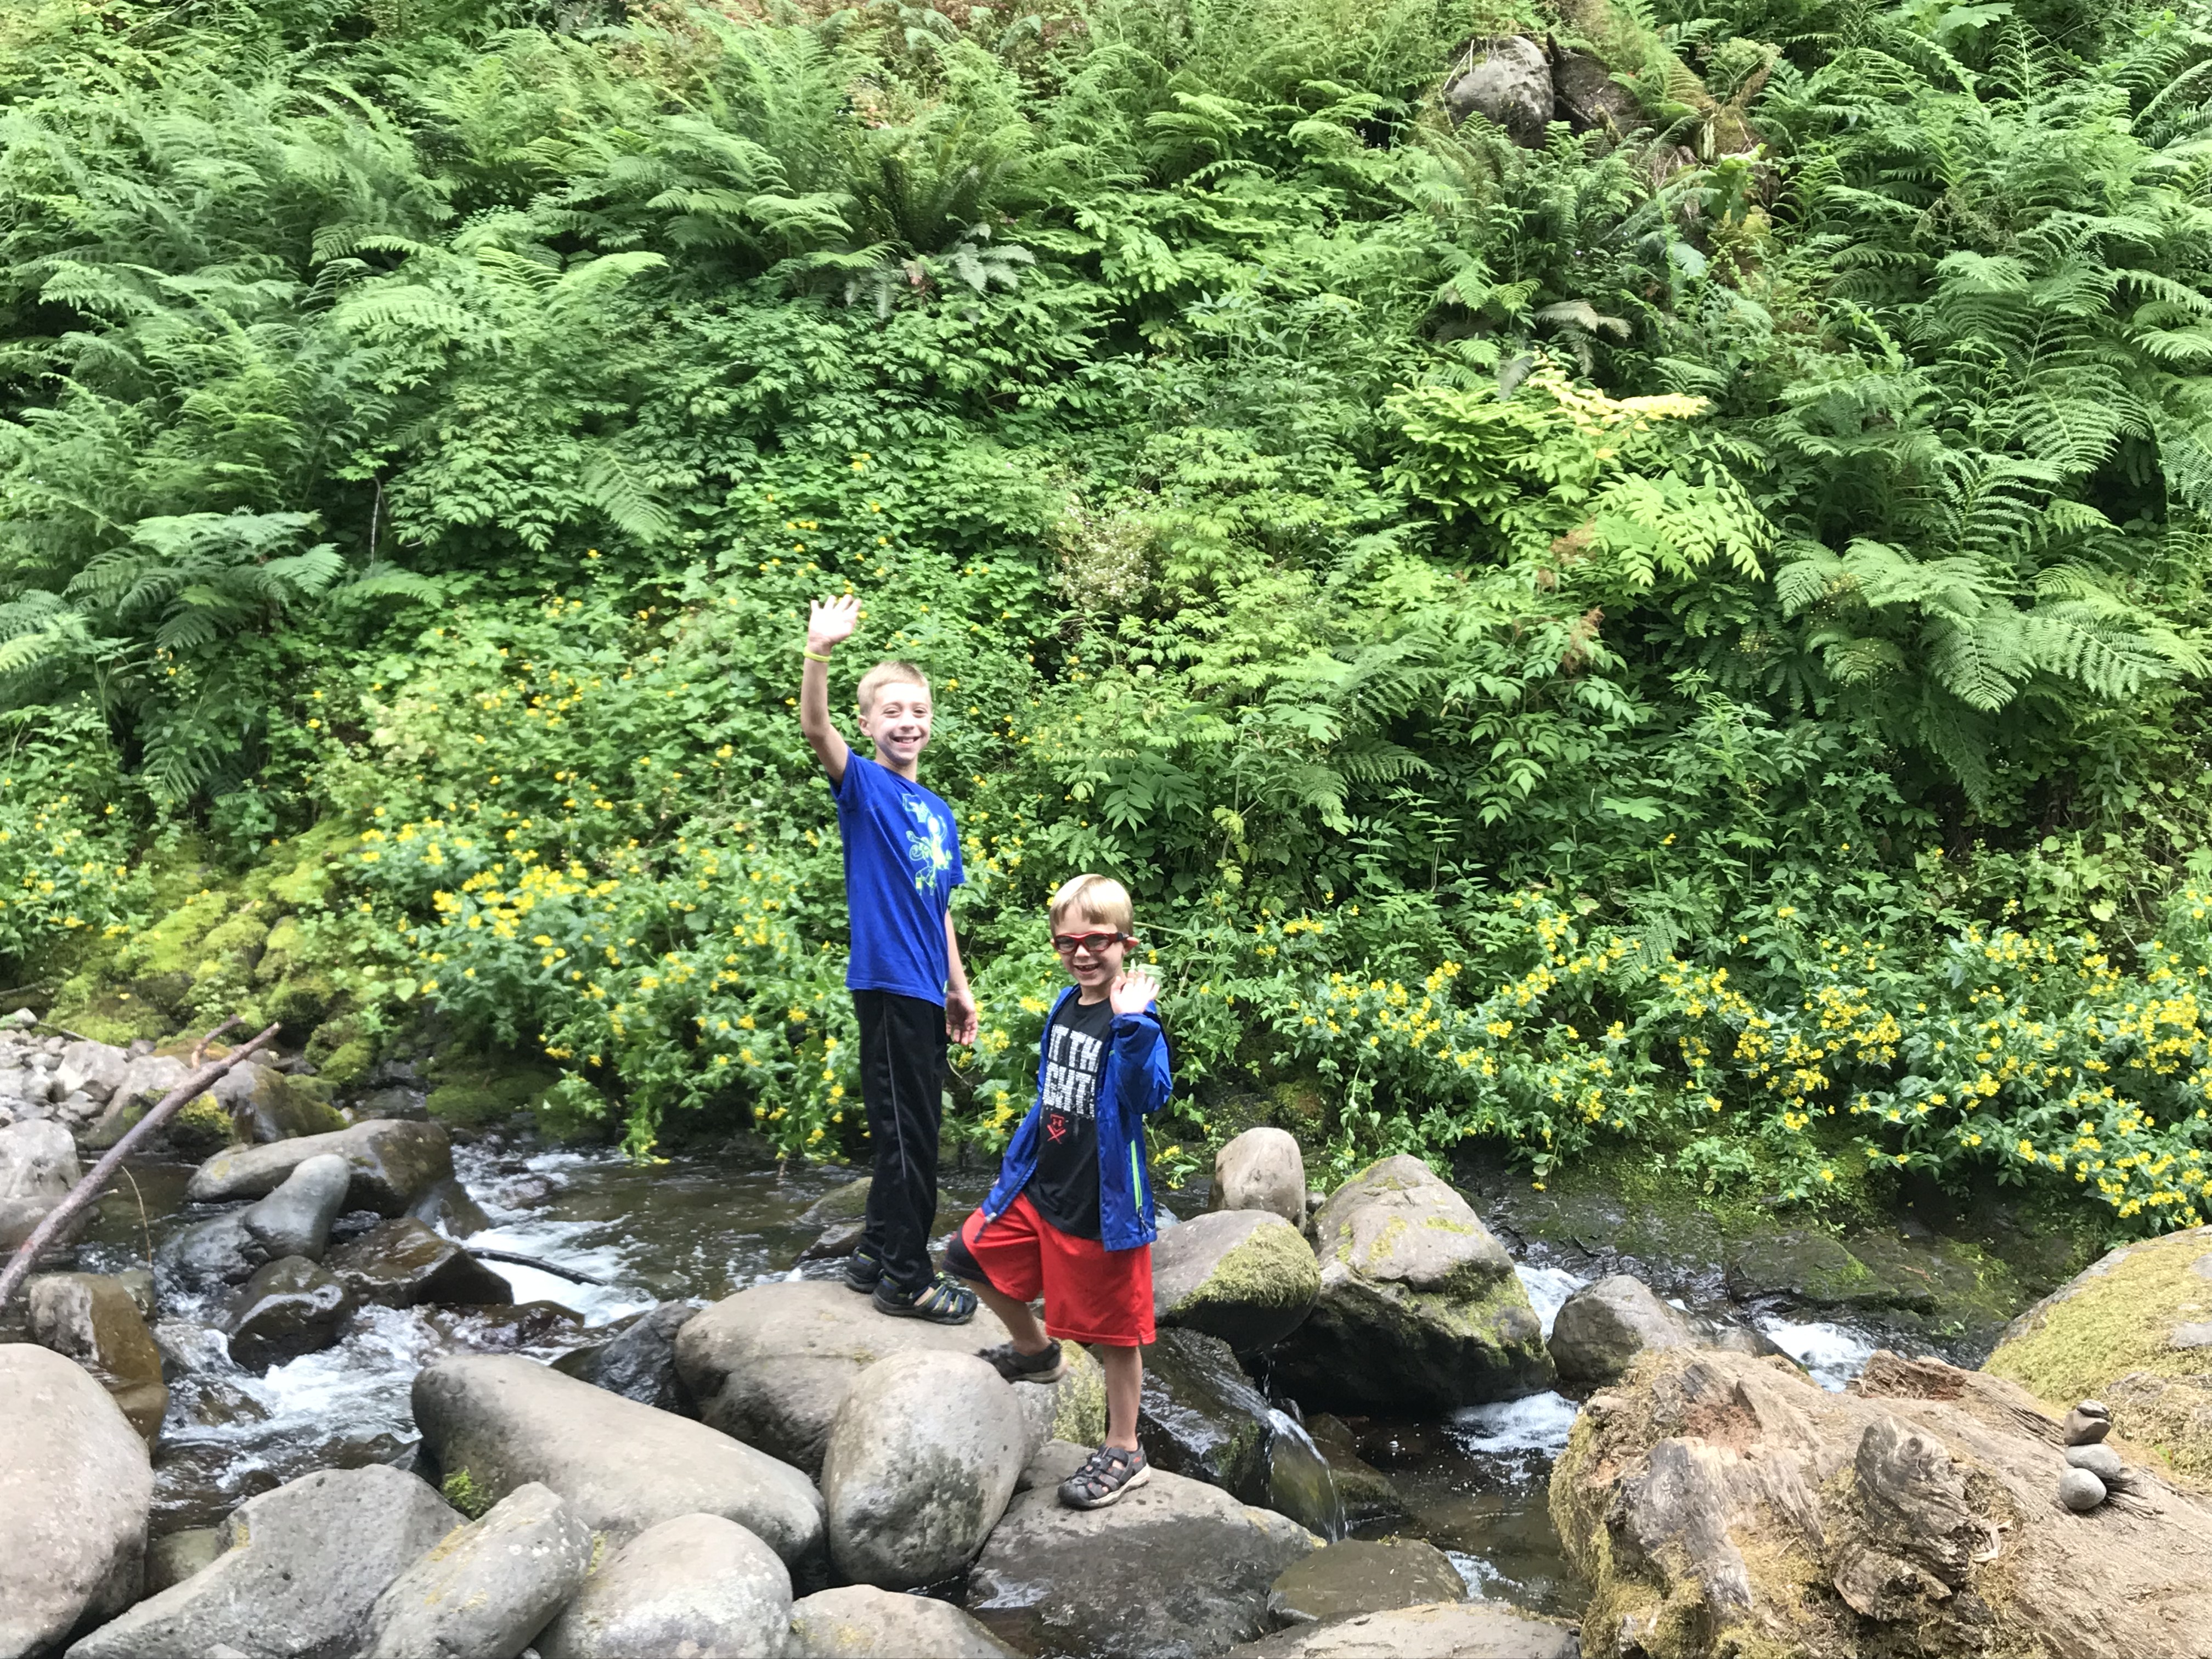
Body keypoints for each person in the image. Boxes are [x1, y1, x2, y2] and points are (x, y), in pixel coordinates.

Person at [945, 872, 1171, 1509]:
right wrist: (1020, 1160)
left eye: (1096, 940)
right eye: (1067, 942)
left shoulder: (1137, 1020)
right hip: (1042, 1185)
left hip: (1103, 1205)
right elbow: (1051, 1094)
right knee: (967, 1256)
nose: (1082, 953)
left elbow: (1149, 1095)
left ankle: (1126, 1448)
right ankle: (1036, 1352)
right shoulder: (1066, 1005)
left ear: (1125, 943)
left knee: (1117, 1334)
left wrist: (1133, 1026)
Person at [799, 594, 980, 1323]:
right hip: (886, 984)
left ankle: (875, 1252)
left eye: (919, 711)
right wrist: (819, 651)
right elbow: (816, 728)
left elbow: (939, 907)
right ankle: (907, 1280)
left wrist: (958, 988)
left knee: (910, 1130)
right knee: (913, 1140)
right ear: (869, 723)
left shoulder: (938, 812)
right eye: (893, 711)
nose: (908, 722)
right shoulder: (864, 788)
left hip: (925, 989)